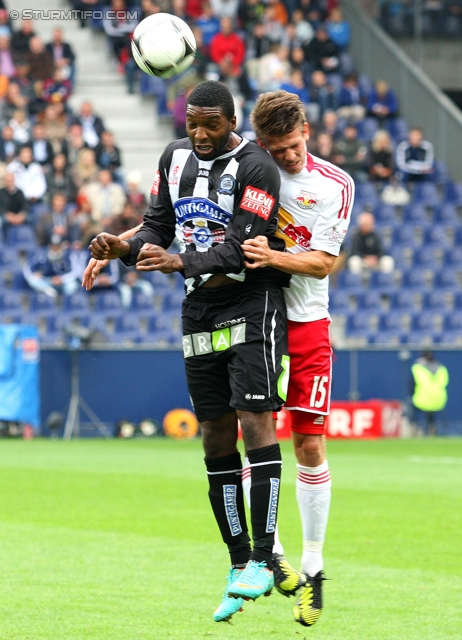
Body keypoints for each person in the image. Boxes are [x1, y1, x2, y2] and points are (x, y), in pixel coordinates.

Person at [83, 81, 289, 622]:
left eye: (210, 125)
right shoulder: (174, 158)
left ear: (231, 121)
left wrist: (180, 263)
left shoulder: (257, 168)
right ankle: (238, 561)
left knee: (254, 422)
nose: (199, 134)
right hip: (198, 310)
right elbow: (160, 226)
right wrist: (123, 247)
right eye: (192, 123)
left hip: (250, 302)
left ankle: (265, 560)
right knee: (215, 433)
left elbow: (245, 249)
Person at [242, 90, 354, 627]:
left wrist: (275, 256)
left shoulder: (335, 184)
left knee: (309, 441)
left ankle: (314, 567)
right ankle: (274, 555)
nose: (283, 157)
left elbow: (325, 262)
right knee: (253, 434)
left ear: (306, 130)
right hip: (253, 316)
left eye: (290, 146)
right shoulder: (248, 167)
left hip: (306, 323)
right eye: (273, 148)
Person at [410, 351, 449, 436]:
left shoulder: (417, 368)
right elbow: (445, 382)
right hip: (439, 400)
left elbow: (412, 385)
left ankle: (414, 428)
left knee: (410, 405)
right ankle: (432, 429)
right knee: (430, 412)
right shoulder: (441, 368)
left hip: (421, 400)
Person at [347, 211, 394, 276]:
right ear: (362, 225)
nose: (371, 225)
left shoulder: (376, 235)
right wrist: (365, 258)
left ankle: (385, 281)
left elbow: (381, 251)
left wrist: (376, 258)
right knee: (354, 261)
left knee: (387, 261)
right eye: (368, 224)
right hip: (363, 261)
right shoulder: (356, 236)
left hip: (375, 261)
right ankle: (356, 282)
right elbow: (354, 252)